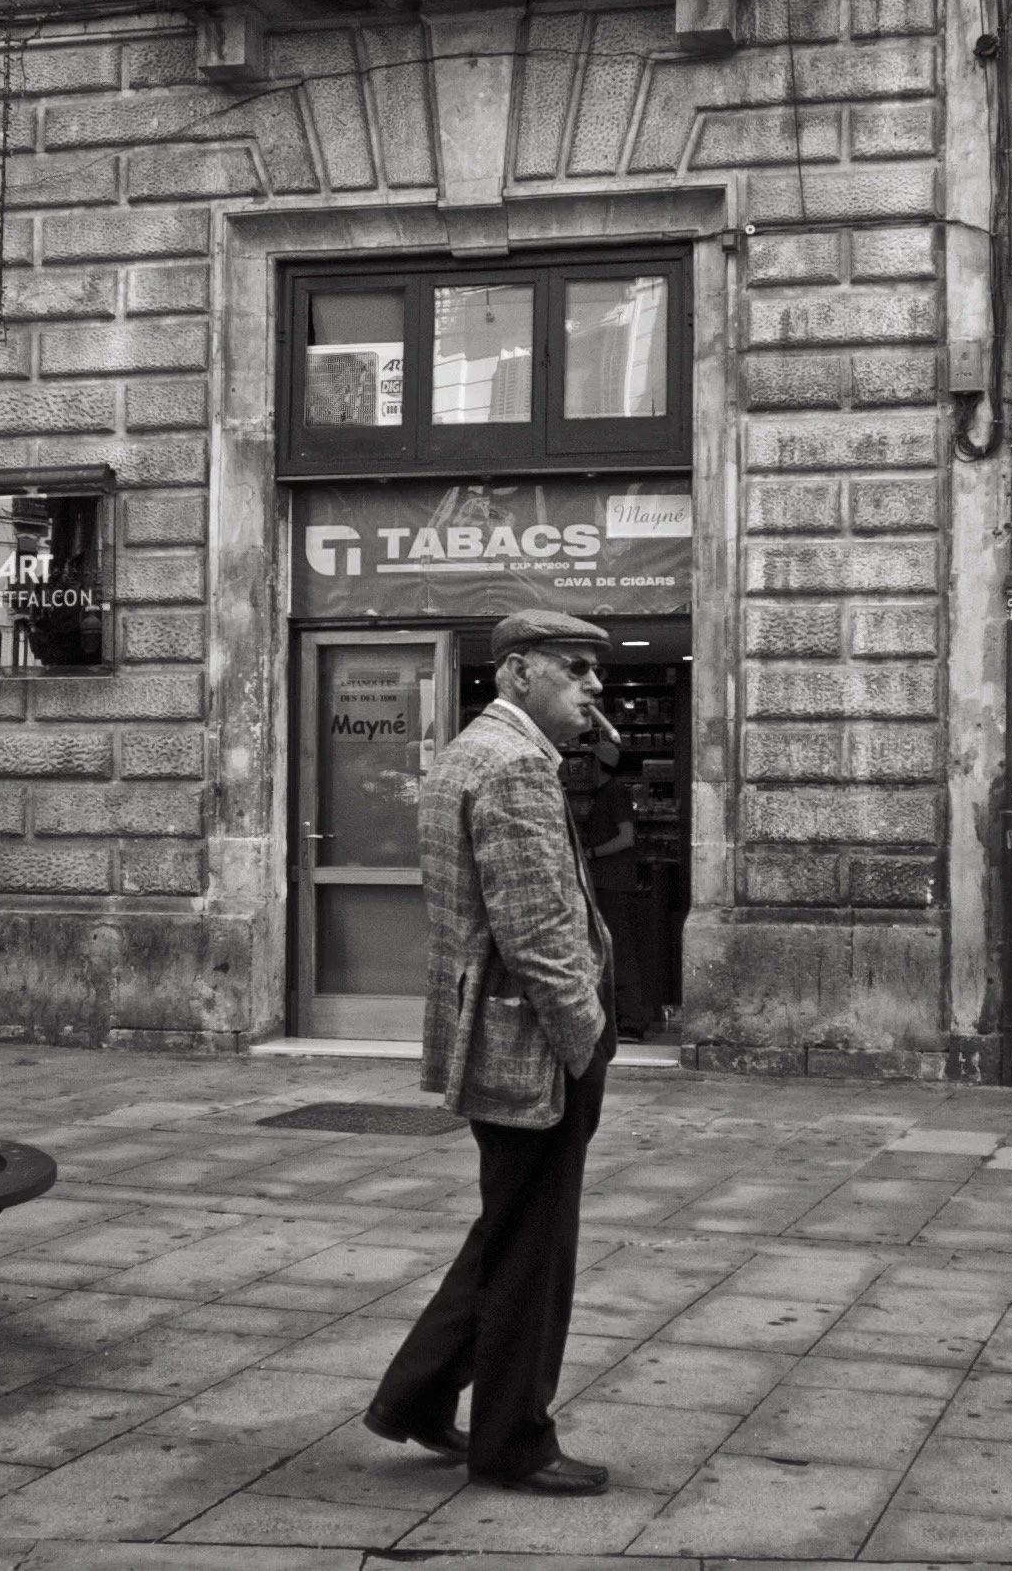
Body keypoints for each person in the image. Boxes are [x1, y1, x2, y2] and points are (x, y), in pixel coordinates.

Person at [363, 609, 616, 1496]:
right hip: (535, 1039)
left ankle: (417, 1398)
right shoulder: (512, 767)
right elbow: (537, 927)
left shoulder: (478, 751)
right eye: (574, 669)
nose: (593, 685)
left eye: (594, 672)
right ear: (516, 674)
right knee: (531, 1254)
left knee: (508, 1231)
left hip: (502, 1031)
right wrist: (586, 1039)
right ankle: (514, 1443)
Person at [583, 740, 653, 1041]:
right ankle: (618, 1017)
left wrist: (593, 854)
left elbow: (626, 837)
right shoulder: (606, 794)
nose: (585, 768)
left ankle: (632, 1021)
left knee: (619, 950)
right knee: (610, 949)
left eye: (589, 762)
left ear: (597, 765)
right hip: (606, 883)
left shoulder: (613, 794)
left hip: (612, 883)